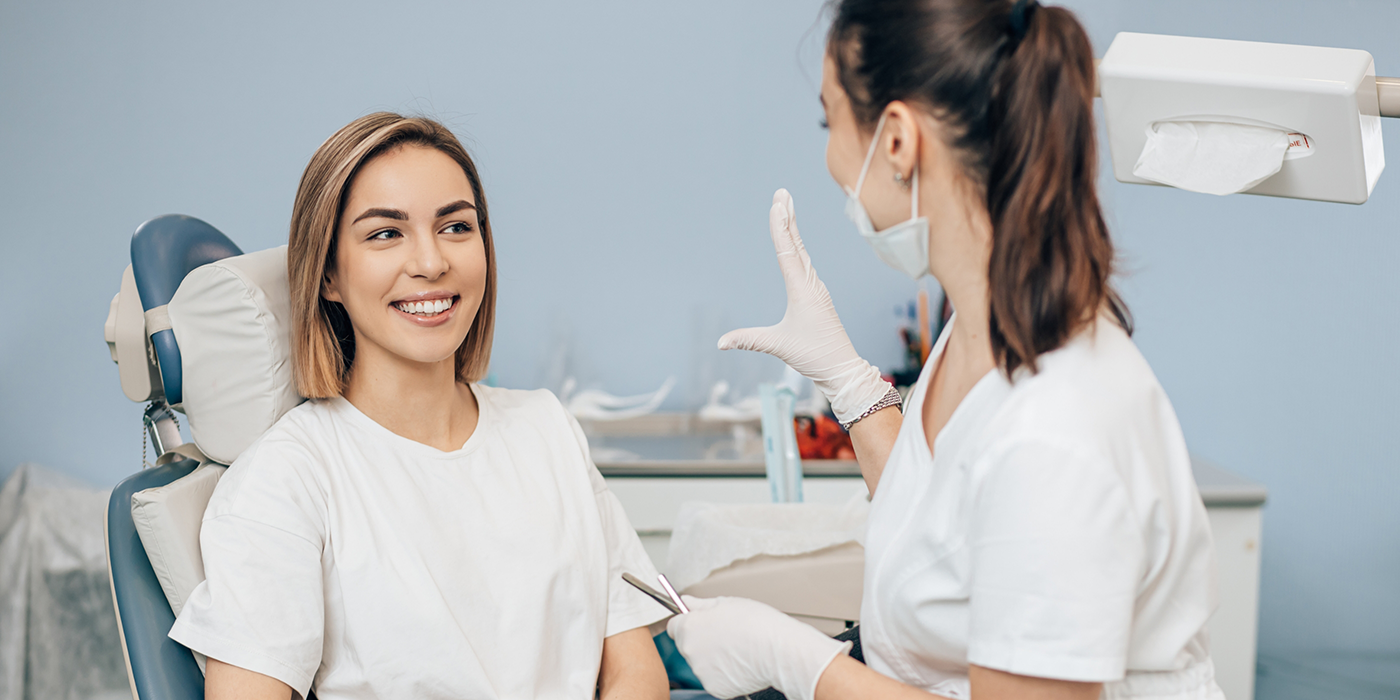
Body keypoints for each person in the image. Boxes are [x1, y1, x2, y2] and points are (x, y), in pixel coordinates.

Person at [667, 1, 1224, 699]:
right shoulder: (984, 327)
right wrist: (852, 386)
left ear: (896, 139)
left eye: (829, 119)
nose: (832, 156)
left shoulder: (1055, 431)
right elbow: (949, 526)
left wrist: (802, 666)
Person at [169, 113, 671, 700]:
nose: (432, 263)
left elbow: (635, 667)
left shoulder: (546, 428)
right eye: (386, 233)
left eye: (456, 226)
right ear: (328, 273)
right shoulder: (286, 482)